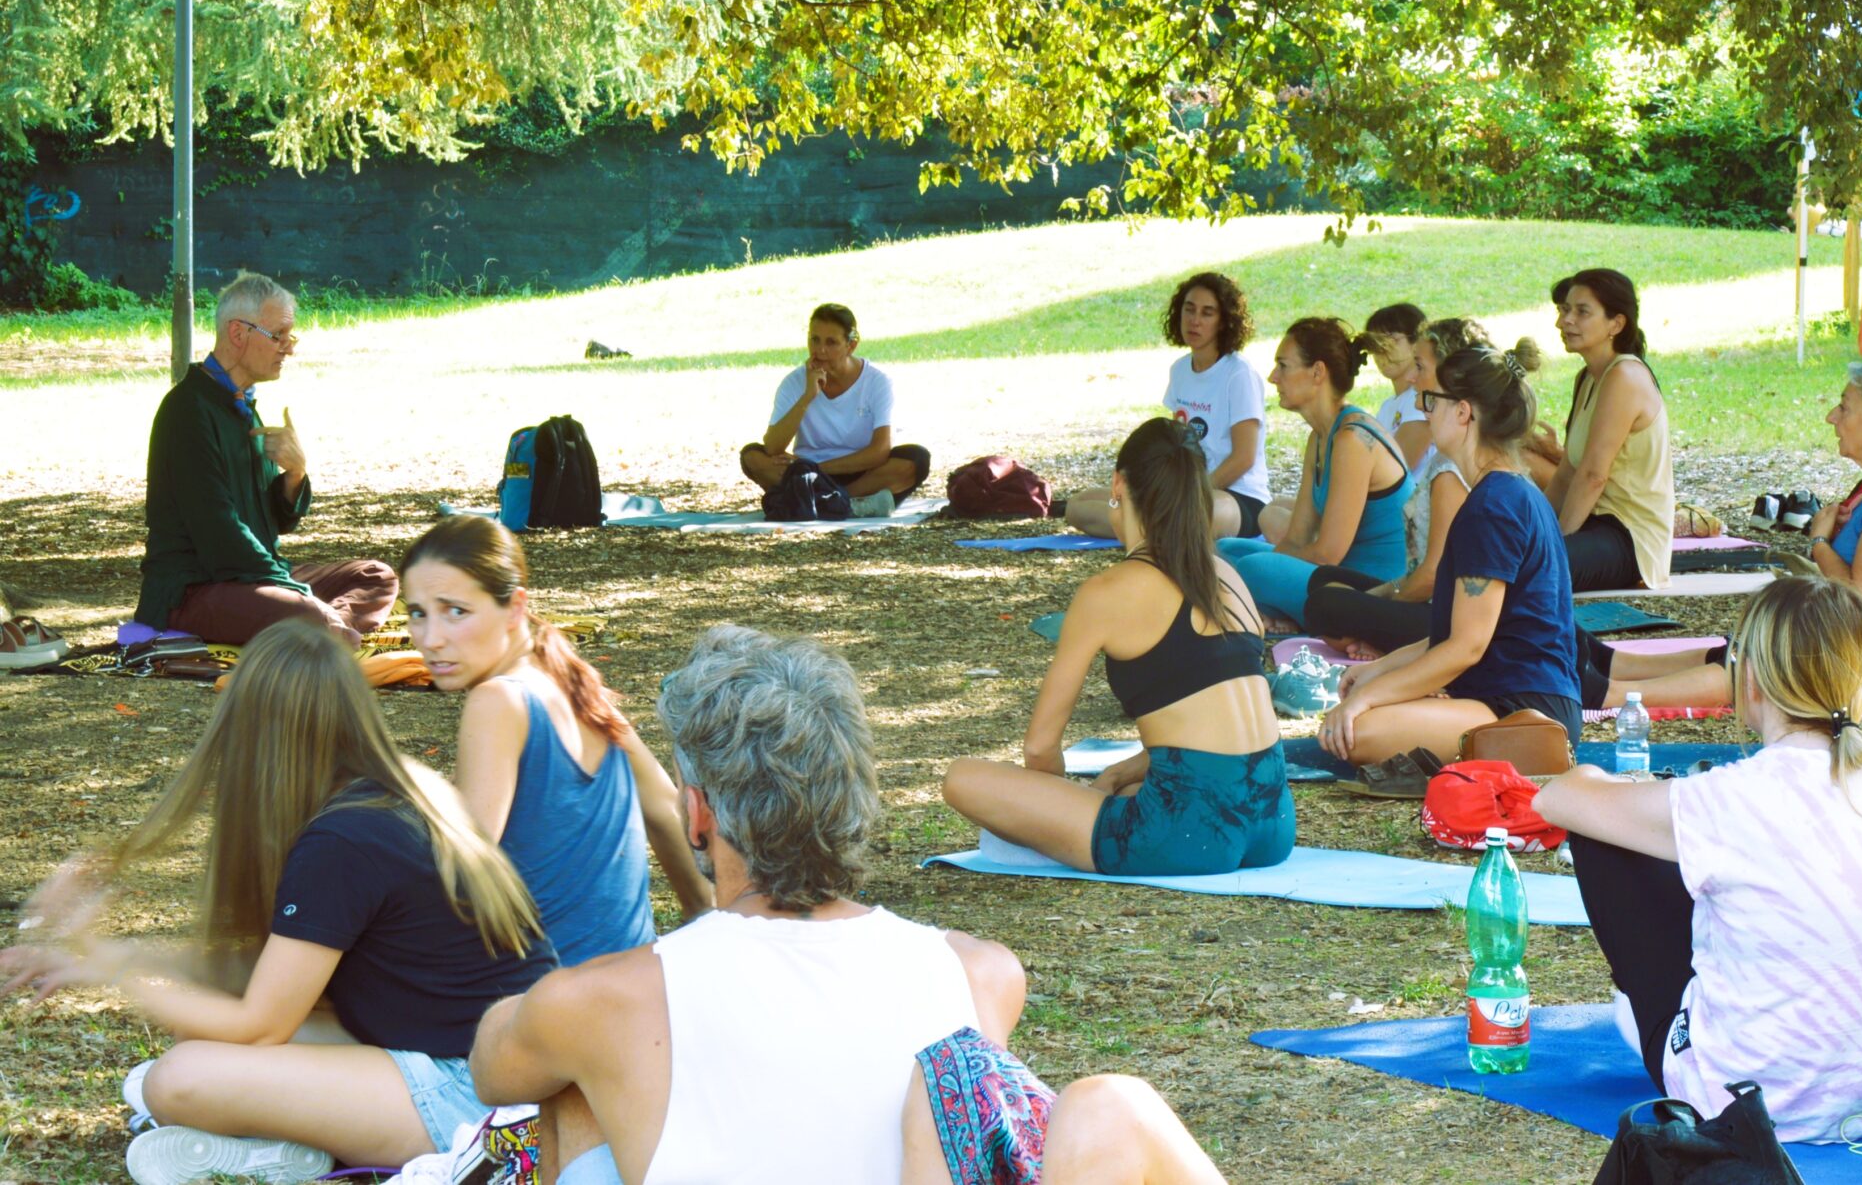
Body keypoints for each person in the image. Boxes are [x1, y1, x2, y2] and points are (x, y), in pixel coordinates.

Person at [467, 625, 1229, 1185]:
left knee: (571, 1092)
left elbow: (492, 1072)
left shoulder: (598, 1000)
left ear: (698, 814)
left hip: (588, 1025)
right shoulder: (982, 973)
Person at [2, 623, 554, 1183]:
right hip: (498, 1072)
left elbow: (259, 1025)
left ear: (249, 730)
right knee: (200, 1038)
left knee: (179, 1078)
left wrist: (120, 972)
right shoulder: (397, 793)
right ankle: (276, 1153)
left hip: (481, 1102)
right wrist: (117, 957)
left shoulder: (344, 840)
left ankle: (294, 1142)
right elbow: (263, 978)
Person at [1535, 575, 1862, 1145]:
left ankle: (1678, 1029)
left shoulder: (1732, 796)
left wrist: (1607, 779)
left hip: (1750, 1103)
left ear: (1750, 677)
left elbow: (1557, 799)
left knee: (1604, 836)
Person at [943, 418, 1292, 876]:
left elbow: (1040, 747)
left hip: (1187, 833)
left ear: (1118, 484)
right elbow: (1218, 731)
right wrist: (1123, 771)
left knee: (962, 779)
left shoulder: (1108, 592)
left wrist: (1047, 809)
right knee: (1126, 791)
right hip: (1273, 822)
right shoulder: (1227, 576)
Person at [399, 516, 715, 963]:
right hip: (630, 981)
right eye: (417, 613)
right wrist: (702, 923)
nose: (431, 639)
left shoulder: (498, 701)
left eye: (456, 612)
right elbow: (667, 811)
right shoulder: (573, 684)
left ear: (514, 607)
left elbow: (463, 871)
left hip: (543, 994)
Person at [1577, 359, 1862, 716]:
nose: (1831, 416)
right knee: (1748, 644)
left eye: (1844, 408)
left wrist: (1820, 543)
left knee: (1755, 664)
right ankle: (1617, 664)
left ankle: (1607, 694)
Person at [1316, 343, 1582, 765]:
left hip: (1524, 713)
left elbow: (1465, 648)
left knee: (1356, 731)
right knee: (1359, 715)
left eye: (1430, 400)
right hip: (1510, 698)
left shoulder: (1492, 506)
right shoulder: (1503, 492)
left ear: (1463, 412)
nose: (1423, 411)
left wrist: (1368, 697)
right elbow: (1450, 637)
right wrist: (1377, 672)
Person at [138, 270, 396, 645]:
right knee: (305, 613)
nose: (289, 348)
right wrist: (298, 595)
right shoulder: (187, 411)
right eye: (278, 335)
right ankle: (322, 628)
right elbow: (220, 534)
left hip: (254, 579)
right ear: (238, 333)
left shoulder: (244, 408)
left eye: (290, 336)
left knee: (376, 577)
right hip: (194, 590)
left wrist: (295, 475)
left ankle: (324, 630)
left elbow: (274, 521)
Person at [1300, 319, 1539, 654]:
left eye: (1420, 366)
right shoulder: (1467, 466)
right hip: (1452, 609)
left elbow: (1438, 584)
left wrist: (1377, 612)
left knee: (1326, 605)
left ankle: (1377, 639)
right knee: (1326, 583)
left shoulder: (1463, 478)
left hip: (1463, 620)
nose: (1412, 380)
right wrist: (1377, 600)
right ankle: (1374, 635)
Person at [1216, 318, 1413, 626]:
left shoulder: (1352, 440)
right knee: (1225, 551)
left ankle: (1269, 608)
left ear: (1318, 372)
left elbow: (1327, 555)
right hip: (1338, 578)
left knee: (1249, 569)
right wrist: (1271, 569)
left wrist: (1267, 571)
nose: (1273, 377)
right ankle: (1270, 607)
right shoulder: (1320, 437)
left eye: (1283, 366)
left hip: (1372, 592)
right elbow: (1297, 537)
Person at [1062, 272, 1268, 540]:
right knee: (1078, 505)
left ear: (1223, 322)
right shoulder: (1180, 370)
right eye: (1189, 309)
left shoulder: (1238, 373)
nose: (1195, 320)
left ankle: (1146, 526)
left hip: (1237, 498)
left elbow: (1244, 458)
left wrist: (1195, 492)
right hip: (1185, 491)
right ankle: (1156, 526)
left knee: (1203, 512)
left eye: (1207, 313)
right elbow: (1177, 443)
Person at [1526, 269, 1672, 593]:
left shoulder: (1625, 377)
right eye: (1565, 310)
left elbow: (1593, 475)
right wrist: (1535, 528)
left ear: (1616, 324)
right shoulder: (1587, 378)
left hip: (1629, 538)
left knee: (1530, 568)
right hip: (1593, 525)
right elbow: (1567, 473)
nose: (1565, 321)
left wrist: (1555, 545)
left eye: (1582, 311)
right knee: (1504, 551)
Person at [741, 302, 931, 515]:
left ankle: (827, 500)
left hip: (858, 473)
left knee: (916, 459)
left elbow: (879, 452)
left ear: (851, 345)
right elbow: (772, 447)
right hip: (805, 474)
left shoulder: (877, 382)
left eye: (831, 342)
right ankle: (844, 504)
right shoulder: (794, 382)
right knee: (752, 456)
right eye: (814, 340)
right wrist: (807, 396)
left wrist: (817, 467)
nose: (820, 350)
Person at [1360, 302, 1433, 466]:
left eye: (1392, 340)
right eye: (1375, 344)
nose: (1382, 350)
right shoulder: (1387, 406)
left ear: (1416, 342)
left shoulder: (1420, 400)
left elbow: (1398, 467)